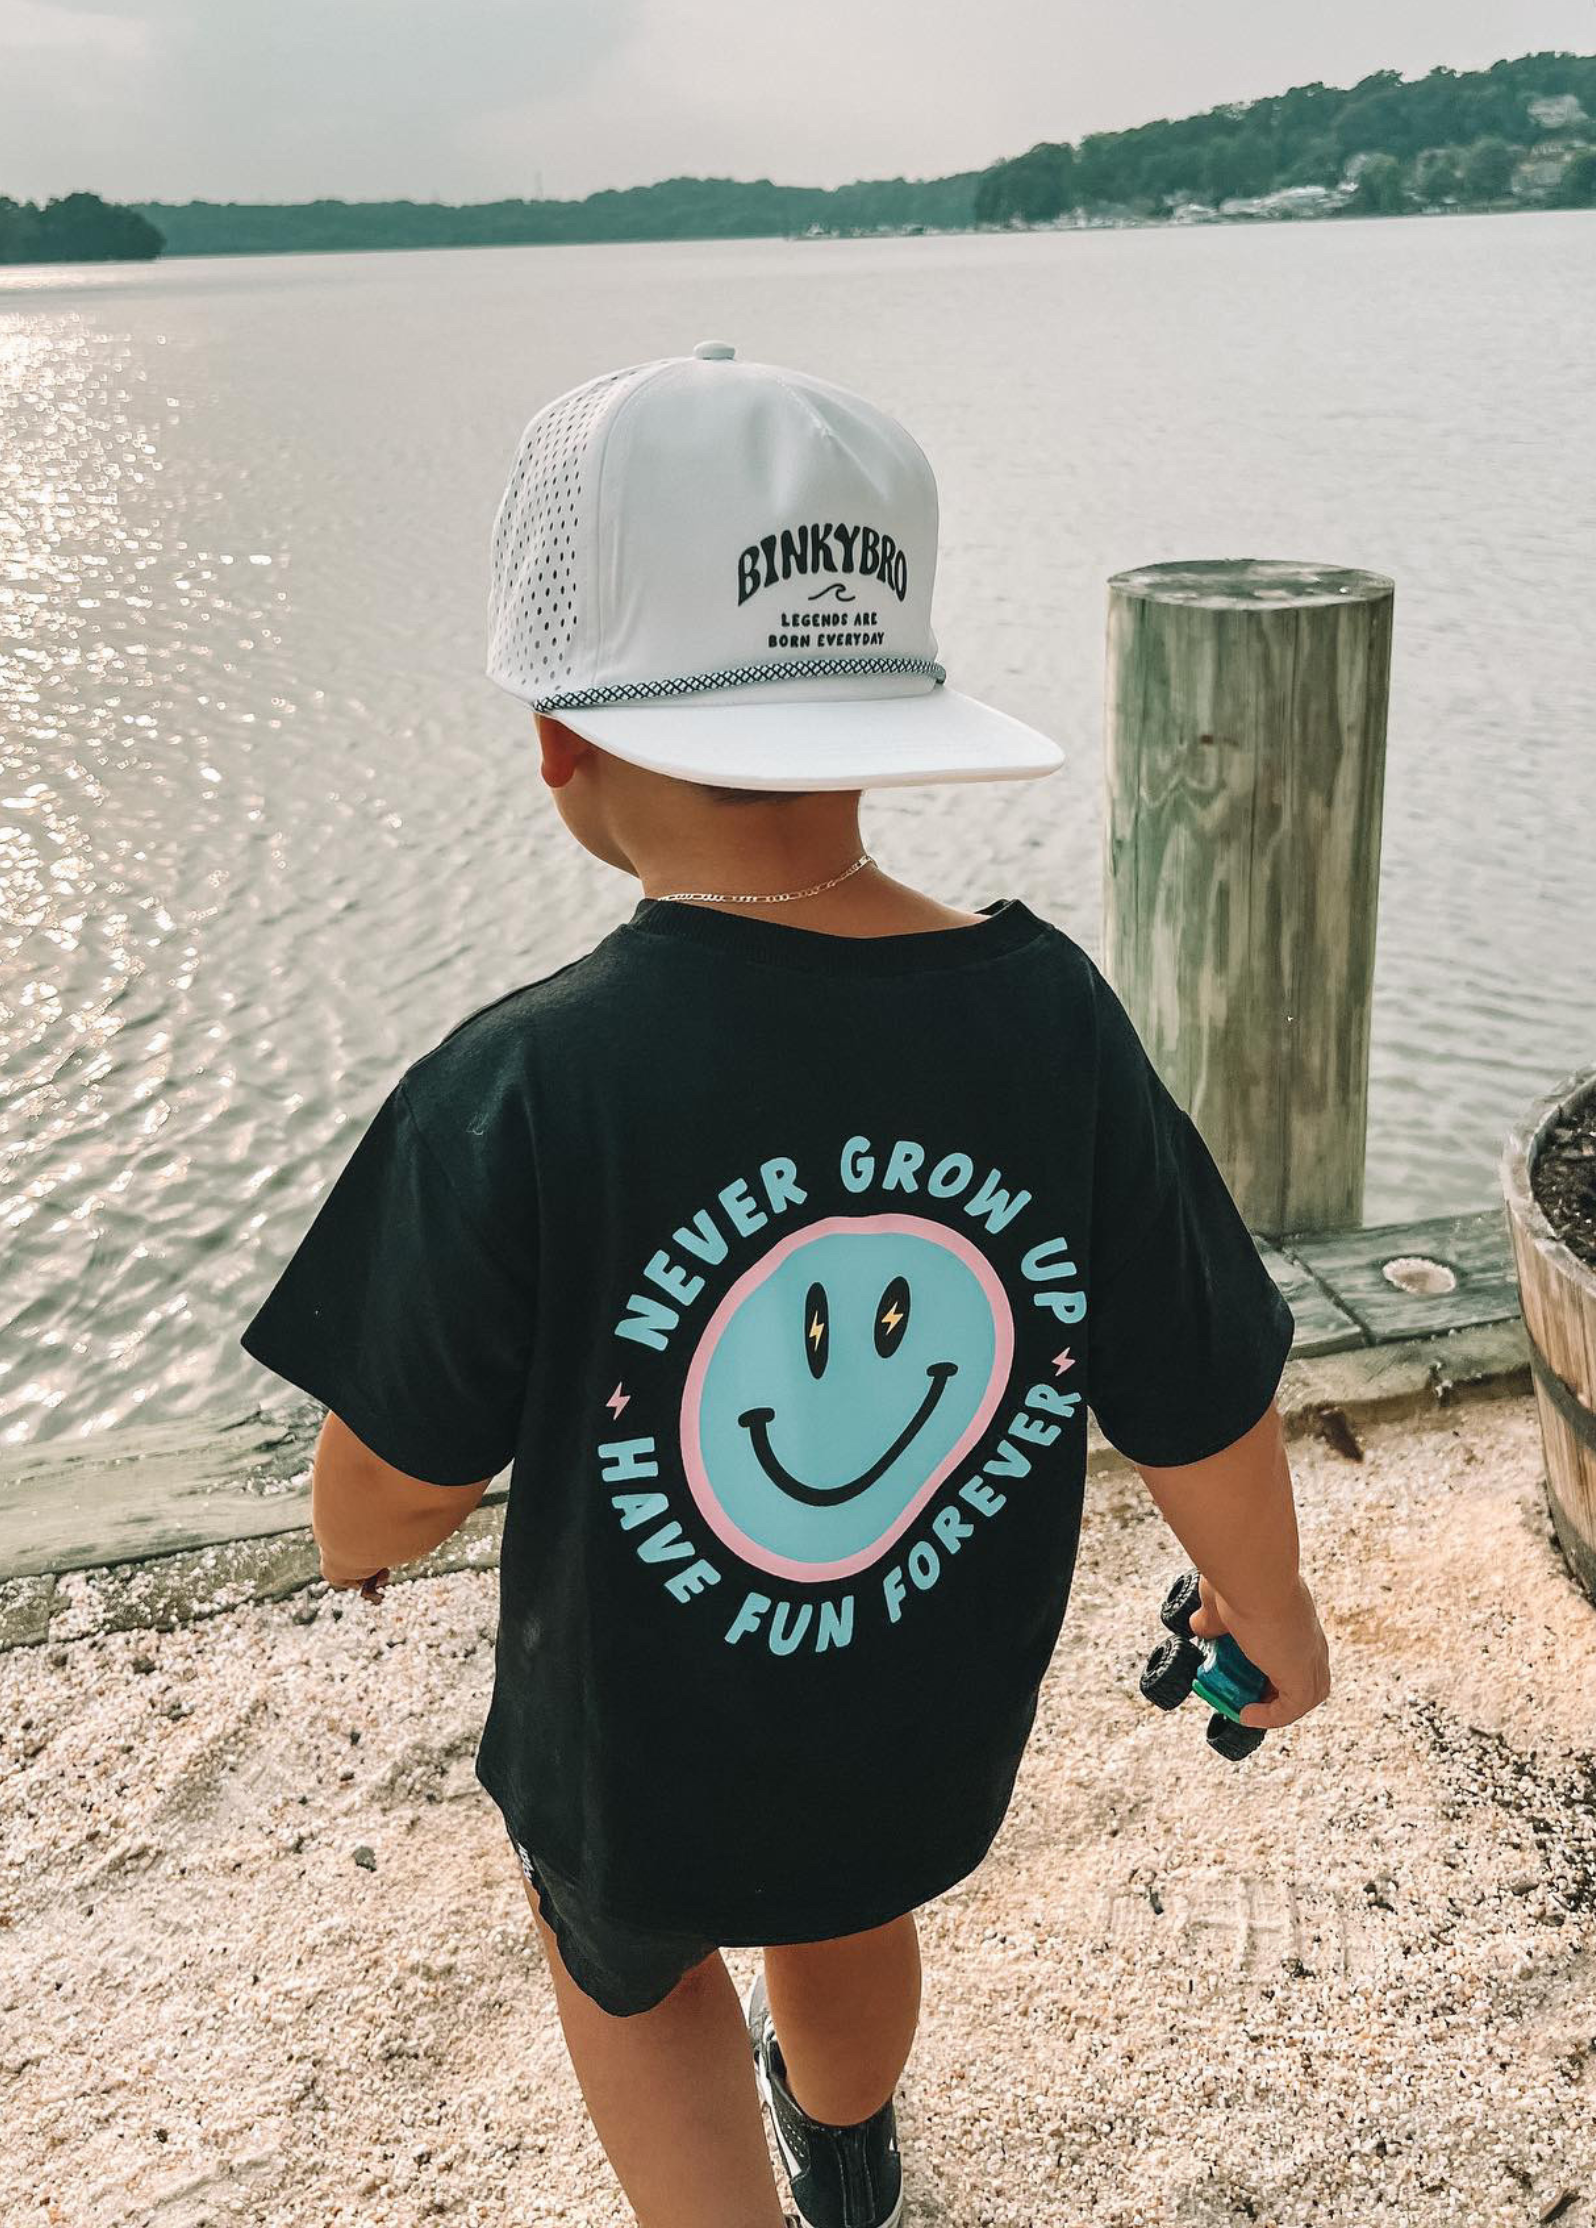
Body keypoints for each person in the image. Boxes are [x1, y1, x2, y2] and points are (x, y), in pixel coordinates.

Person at [239, 343, 1330, 2228]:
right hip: (923, 1700)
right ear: (886, 707)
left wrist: (356, 1541)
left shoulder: (527, 1082)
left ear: (561, 740)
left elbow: (394, 1484)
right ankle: (846, 2148)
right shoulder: (1051, 1012)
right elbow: (1197, 1381)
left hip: (636, 1745)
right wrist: (1278, 1611)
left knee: (633, 1976)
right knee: (848, 1904)